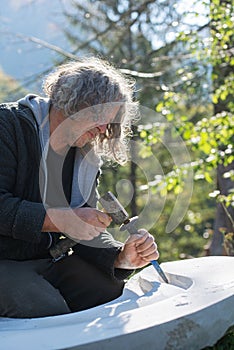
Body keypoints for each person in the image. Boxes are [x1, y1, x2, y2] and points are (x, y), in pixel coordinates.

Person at [0, 57, 159, 318]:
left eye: (109, 122)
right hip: (4, 262)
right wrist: (61, 220)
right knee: (46, 310)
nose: (103, 130)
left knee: (110, 292)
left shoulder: (84, 156)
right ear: (72, 103)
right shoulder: (7, 126)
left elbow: (85, 227)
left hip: (44, 259)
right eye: (97, 118)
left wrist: (119, 257)